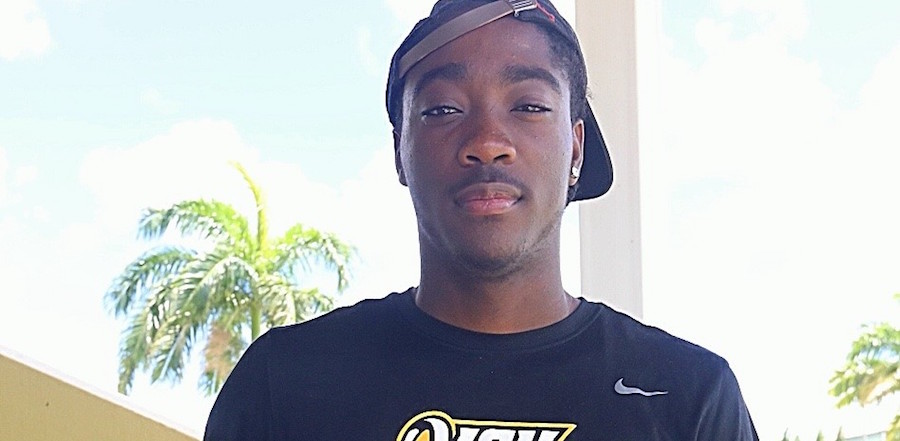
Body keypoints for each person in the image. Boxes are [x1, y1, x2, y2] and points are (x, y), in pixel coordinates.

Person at [204, 0, 759, 439]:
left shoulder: (689, 396)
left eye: (529, 106)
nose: (488, 142)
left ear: (575, 148)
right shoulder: (285, 383)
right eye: (443, 109)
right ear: (400, 152)